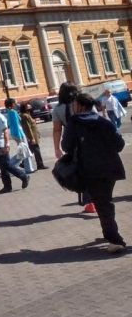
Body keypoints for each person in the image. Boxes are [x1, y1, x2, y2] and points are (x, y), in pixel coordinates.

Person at [62, 93, 126, 254]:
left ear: (79, 106)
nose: (73, 107)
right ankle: (109, 232)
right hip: (111, 166)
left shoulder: (74, 122)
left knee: (103, 203)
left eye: (74, 105)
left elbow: (67, 146)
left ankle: (115, 239)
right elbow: (119, 144)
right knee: (105, 200)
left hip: (90, 168)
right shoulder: (104, 122)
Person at [52, 82, 94, 212]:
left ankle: (90, 201)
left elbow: (57, 130)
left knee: (82, 171)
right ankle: (94, 198)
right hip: (91, 141)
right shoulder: (85, 103)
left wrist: (57, 148)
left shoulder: (58, 109)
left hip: (73, 143)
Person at [0, 101, 30, 193]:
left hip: (1, 145)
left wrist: (7, 145)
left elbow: (5, 132)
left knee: (7, 165)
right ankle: (7, 186)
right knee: (2, 166)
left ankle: (23, 176)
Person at [19, 103, 46, 170]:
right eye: (28, 106)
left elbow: (31, 124)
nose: (30, 107)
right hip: (32, 137)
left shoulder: (28, 115)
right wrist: (32, 138)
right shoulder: (25, 116)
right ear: (24, 108)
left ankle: (23, 163)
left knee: (31, 150)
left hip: (34, 136)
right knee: (36, 150)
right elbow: (28, 128)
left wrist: (35, 120)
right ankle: (40, 164)